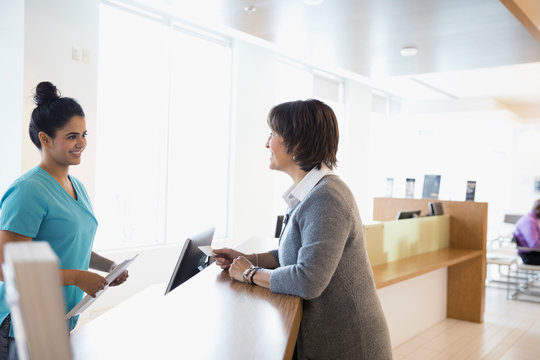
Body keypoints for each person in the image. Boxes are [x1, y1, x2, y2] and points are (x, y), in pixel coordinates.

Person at [213, 99, 392, 359]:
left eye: (273, 134)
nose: (266, 143)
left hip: (351, 347)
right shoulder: (309, 193)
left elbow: (308, 280)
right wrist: (246, 258)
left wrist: (250, 273)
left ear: (297, 143)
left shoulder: (327, 197)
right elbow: (293, 254)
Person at [0, 81, 129, 359]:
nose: (81, 143)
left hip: (60, 317)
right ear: (45, 139)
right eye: (71, 136)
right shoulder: (27, 190)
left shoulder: (75, 185)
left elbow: (71, 244)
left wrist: (110, 267)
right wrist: (76, 277)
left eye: (84, 134)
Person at [513, 199, 540, 265]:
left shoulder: (533, 219)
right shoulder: (529, 221)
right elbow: (534, 244)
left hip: (533, 253)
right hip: (530, 256)